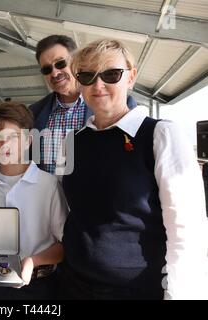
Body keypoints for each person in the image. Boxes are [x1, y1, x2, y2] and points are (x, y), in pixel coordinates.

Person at [59, 39, 208, 299]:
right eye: (86, 76)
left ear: (131, 77)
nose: (98, 84)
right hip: (74, 285)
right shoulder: (73, 141)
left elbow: (186, 227)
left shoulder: (160, 134)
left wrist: (180, 294)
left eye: (111, 74)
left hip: (137, 290)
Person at [0, 101, 68, 299]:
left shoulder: (48, 186)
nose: (4, 144)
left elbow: (65, 243)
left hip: (41, 286)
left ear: (28, 141)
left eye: (13, 137)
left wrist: (34, 261)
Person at [29, 35, 137, 174]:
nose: (54, 73)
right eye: (47, 69)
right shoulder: (34, 112)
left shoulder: (117, 105)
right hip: (44, 195)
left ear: (76, 63)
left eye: (60, 63)